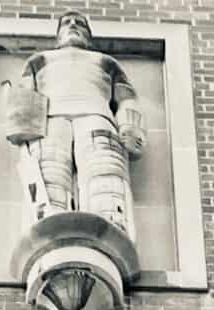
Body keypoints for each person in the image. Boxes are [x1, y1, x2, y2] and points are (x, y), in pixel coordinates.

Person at [14, 11, 147, 238]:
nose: (73, 25)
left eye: (80, 23)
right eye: (66, 22)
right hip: (50, 122)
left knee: (105, 175)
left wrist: (130, 126)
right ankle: (48, 234)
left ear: (89, 35)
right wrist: (22, 123)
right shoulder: (39, 60)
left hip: (97, 117)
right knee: (50, 179)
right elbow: (25, 94)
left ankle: (112, 232)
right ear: (58, 34)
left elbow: (126, 97)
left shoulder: (106, 62)